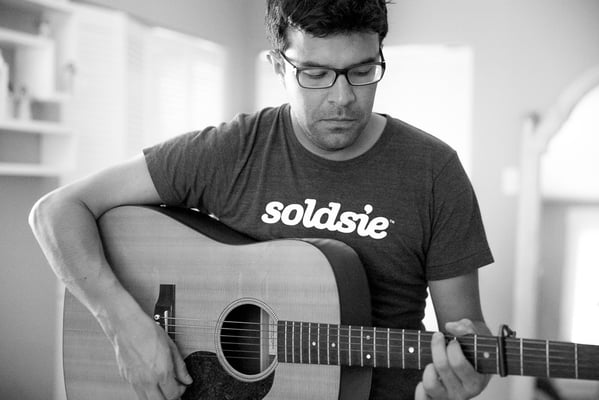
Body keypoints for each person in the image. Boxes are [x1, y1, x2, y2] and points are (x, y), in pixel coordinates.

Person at [29, 0, 495, 399]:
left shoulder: (434, 171)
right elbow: (56, 212)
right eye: (315, 73)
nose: (343, 97)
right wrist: (124, 325)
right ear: (278, 66)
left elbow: (464, 335)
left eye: (362, 71)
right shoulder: (232, 150)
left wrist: (458, 382)